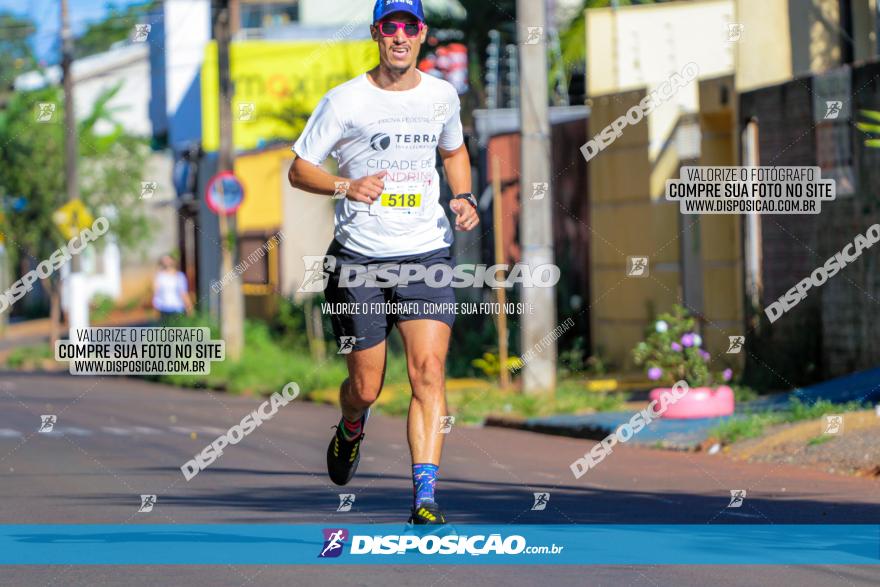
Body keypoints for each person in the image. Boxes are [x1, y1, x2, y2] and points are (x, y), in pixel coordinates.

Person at [287, 0, 479, 525]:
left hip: (425, 253)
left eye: (408, 26)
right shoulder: (344, 101)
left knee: (430, 373)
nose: (399, 35)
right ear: (376, 33)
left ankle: (425, 497)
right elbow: (299, 170)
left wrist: (463, 196)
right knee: (367, 387)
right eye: (389, 26)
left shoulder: (442, 94)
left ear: (421, 34)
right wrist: (346, 185)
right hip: (359, 262)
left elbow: (454, 151)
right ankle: (352, 425)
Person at [151, 255, 192, 322]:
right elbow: (156, 294)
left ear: (173, 261)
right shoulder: (159, 276)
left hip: (177, 309)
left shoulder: (180, 276)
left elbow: (184, 293)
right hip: (163, 309)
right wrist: (155, 309)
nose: (167, 262)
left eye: (168, 260)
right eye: (164, 261)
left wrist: (189, 308)